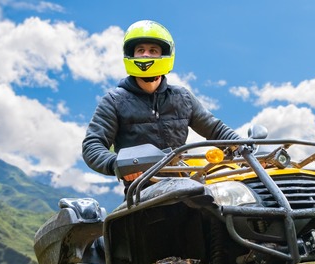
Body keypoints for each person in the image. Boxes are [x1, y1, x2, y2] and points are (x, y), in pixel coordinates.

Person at [82, 20, 240, 183]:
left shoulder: (182, 97)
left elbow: (216, 129)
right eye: (140, 50)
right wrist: (118, 164)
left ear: (164, 55)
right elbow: (92, 145)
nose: (145, 55)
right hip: (142, 191)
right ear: (132, 54)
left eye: (153, 50)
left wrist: (243, 148)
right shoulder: (114, 101)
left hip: (186, 184)